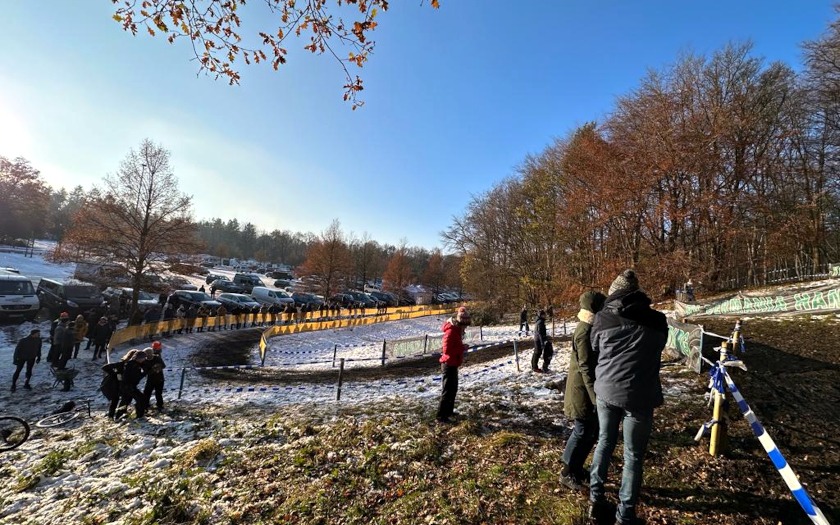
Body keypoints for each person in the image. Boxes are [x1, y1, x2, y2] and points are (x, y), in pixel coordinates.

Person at [588, 270, 668, 525]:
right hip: (641, 395)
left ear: (614, 294)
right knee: (633, 455)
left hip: (606, 391)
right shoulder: (657, 320)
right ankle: (626, 513)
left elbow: (594, 347)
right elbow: (660, 347)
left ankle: (595, 498)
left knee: (604, 442)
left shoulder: (602, 318)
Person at [559, 291, 606, 492]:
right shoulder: (584, 331)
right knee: (582, 430)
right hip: (582, 391)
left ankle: (577, 468)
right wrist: (594, 397)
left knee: (591, 432)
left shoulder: (590, 327)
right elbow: (585, 366)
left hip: (589, 389)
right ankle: (567, 471)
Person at [436, 306, 471, 424]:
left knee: (453, 390)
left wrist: (462, 347)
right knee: (447, 391)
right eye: (464, 326)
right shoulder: (451, 332)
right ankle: (441, 416)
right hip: (448, 364)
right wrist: (462, 348)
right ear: (460, 323)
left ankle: (449, 412)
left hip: (454, 363)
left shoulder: (457, 331)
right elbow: (447, 350)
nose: (465, 328)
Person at [114, 349, 148, 421]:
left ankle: (118, 415)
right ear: (139, 358)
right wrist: (144, 373)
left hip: (126, 386)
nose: (144, 360)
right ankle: (139, 415)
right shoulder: (133, 365)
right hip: (129, 386)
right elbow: (136, 377)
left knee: (125, 400)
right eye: (143, 358)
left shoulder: (132, 363)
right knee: (140, 398)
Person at [143, 342, 166, 412]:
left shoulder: (157, 358)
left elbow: (163, 365)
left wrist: (158, 368)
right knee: (147, 392)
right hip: (150, 379)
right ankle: (145, 405)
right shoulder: (145, 361)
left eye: (150, 354)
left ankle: (160, 406)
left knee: (158, 393)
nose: (148, 356)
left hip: (160, 379)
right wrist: (154, 369)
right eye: (147, 354)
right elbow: (146, 371)